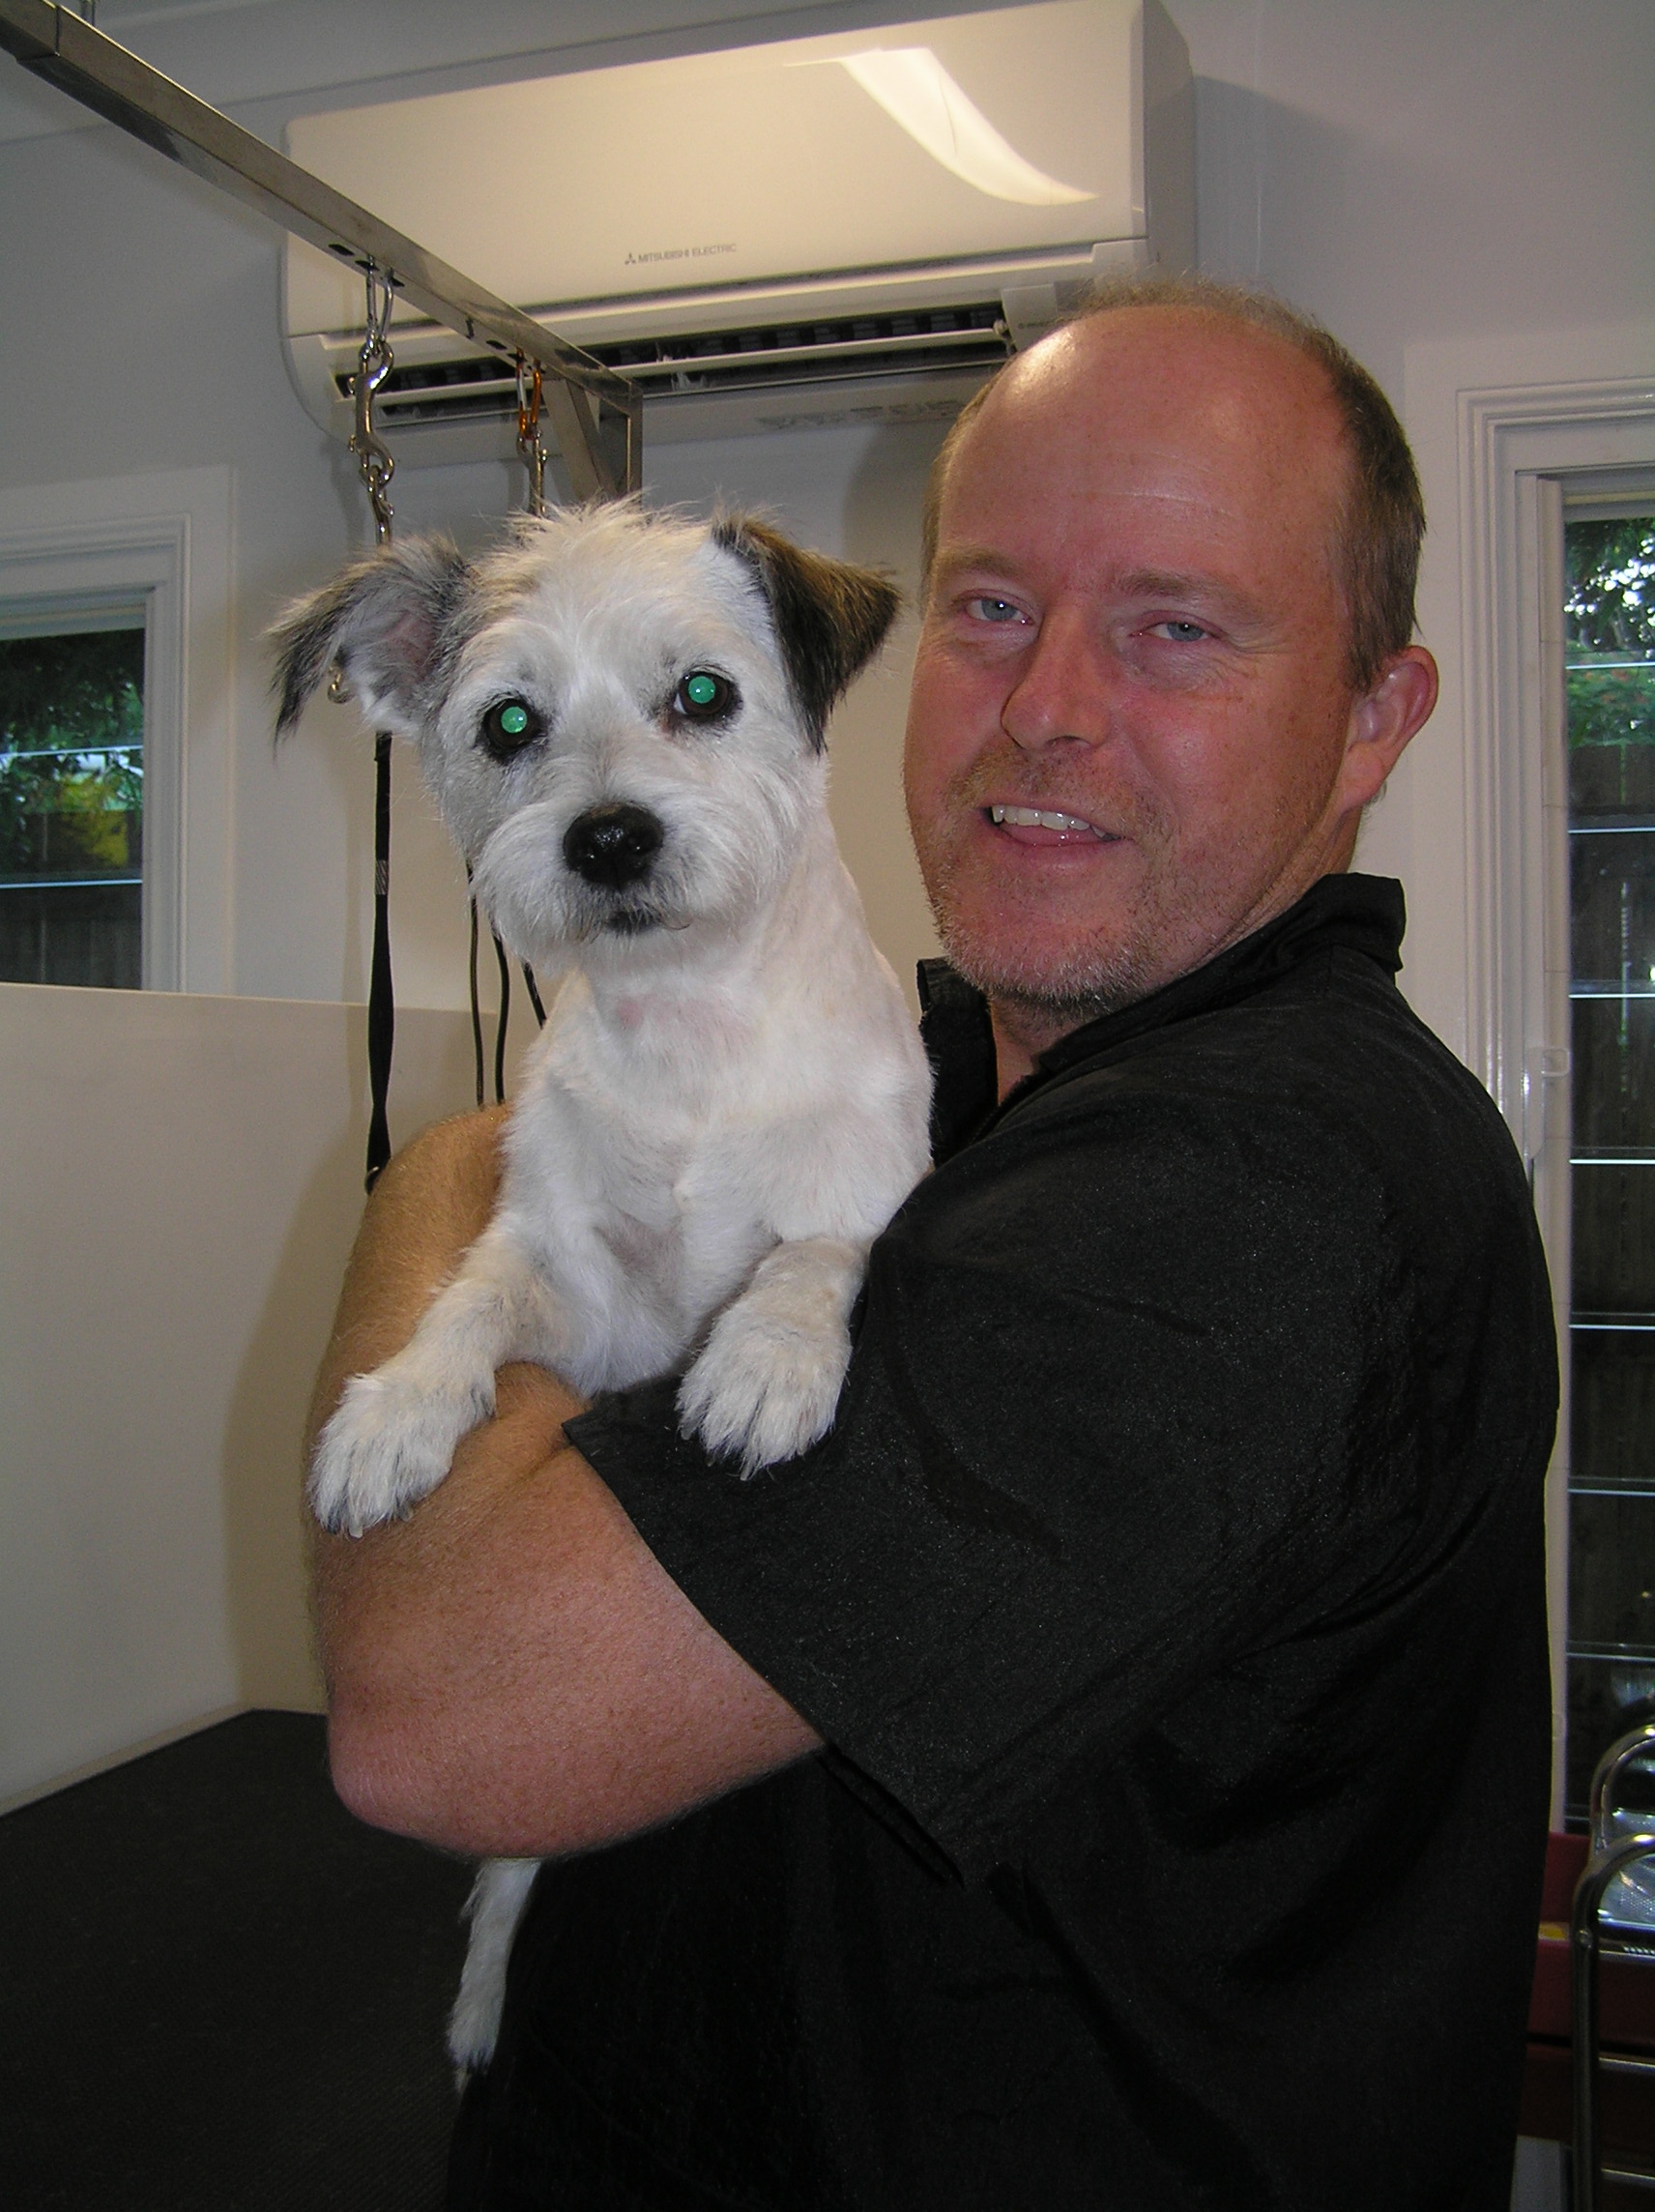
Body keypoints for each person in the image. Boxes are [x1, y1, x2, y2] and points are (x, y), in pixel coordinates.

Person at [309, 276, 1557, 2210]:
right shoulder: (960, 1086)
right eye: (989, 607)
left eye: (1174, 626)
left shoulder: (1261, 1180)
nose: (1045, 706)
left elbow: (444, 1713)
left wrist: (449, 1174)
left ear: (1370, 719)